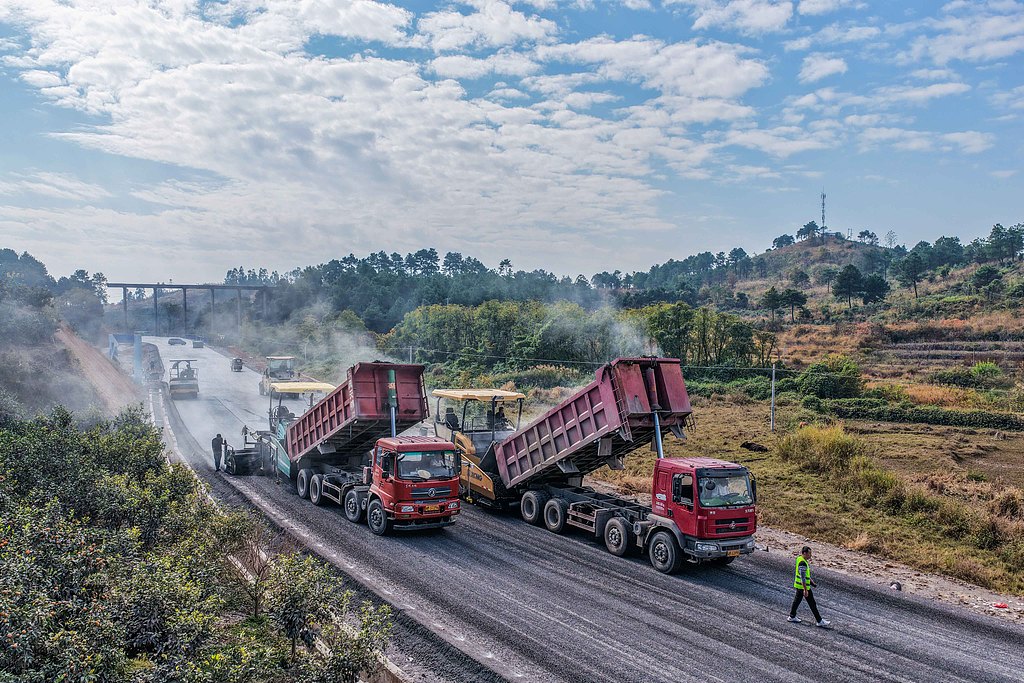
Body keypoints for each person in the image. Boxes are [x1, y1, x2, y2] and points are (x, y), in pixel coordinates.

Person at [789, 546, 830, 627]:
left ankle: (792, 616)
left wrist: (811, 582)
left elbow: (805, 575)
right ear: (804, 553)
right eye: (809, 553)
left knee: (797, 601)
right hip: (803, 587)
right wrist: (805, 589)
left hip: (800, 586)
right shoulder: (802, 563)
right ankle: (819, 621)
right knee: (812, 603)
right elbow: (802, 577)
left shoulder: (800, 559)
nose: (810, 555)